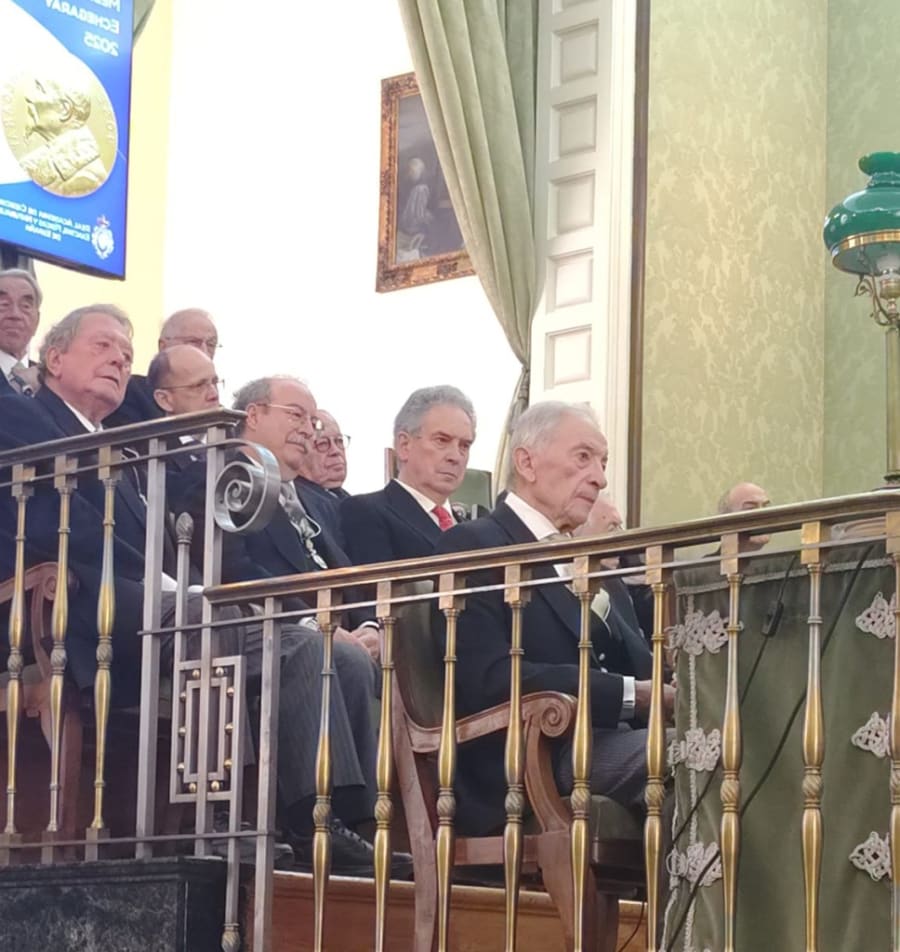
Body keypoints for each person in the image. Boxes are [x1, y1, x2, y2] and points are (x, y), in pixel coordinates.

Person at [174, 375, 411, 876]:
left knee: (376, 653)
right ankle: (315, 821)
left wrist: (371, 622)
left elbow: (350, 576)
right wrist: (314, 619)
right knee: (329, 652)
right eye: (297, 415)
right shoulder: (225, 477)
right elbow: (228, 568)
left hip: (317, 628)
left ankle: (355, 824)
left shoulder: (312, 499)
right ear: (253, 415)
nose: (310, 428)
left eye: (315, 418)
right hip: (254, 625)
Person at [433, 401, 675, 835]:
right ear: (526, 461)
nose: (600, 478)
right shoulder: (475, 545)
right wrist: (629, 694)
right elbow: (485, 678)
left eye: (602, 463)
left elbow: (639, 663)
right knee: (700, 758)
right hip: (532, 757)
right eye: (583, 457)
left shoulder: (585, 559)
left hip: (604, 740)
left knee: (722, 746)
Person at [341, 385, 475, 564]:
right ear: (404, 445)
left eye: (464, 446)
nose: (455, 456)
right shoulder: (366, 512)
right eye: (442, 440)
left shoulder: (472, 529)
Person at [106, 307, 220, 427]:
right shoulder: (131, 392)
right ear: (163, 346)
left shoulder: (218, 409)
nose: (204, 351)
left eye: (211, 344)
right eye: (193, 342)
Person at [19, 77, 109, 197]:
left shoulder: (87, 179)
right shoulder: (39, 159)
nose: (27, 96)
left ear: (64, 110)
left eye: (40, 90)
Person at [294, 410, 350, 546]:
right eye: (323, 444)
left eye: (339, 441)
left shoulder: (343, 497)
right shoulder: (298, 502)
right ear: (299, 451)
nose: (336, 451)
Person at [0, 268, 41, 395]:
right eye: (4, 304)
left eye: (26, 306)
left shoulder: (50, 380)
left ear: (37, 321)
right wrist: (18, 384)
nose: (15, 315)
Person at [717, 481, 771, 550]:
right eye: (750, 508)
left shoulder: (782, 558)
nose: (764, 515)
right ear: (726, 521)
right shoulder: (709, 561)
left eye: (766, 507)